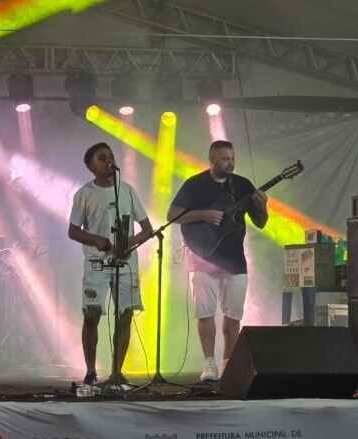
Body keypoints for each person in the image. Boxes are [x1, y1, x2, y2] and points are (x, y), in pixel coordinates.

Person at [167, 140, 269, 381]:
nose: (230, 162)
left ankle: (227, 364)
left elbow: (261, 222)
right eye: (225, 159)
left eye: (232, 158)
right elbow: (172, 215)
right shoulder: (195, 184)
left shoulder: (243, 185)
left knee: (233, 316)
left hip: (234, 260)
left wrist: (263, 206)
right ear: (212, 160)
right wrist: (203, 214)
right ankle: (209, 363)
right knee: (205, 313)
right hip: (203, 258)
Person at [68, 142, 152, 385]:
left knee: (124, 314)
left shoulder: (126, 190)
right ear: (91, 166)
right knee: (92, 315)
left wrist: (130, 243)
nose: (108, 161)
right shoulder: (84, 194)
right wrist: (97, 240)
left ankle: (117, 372)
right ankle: (91, 370)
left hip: (125, 263)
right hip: (96, 262)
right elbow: (73, 231)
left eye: (111, 157)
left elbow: (147, 228)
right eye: (102, 158)